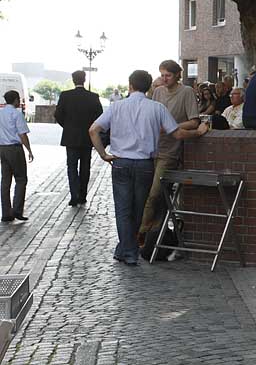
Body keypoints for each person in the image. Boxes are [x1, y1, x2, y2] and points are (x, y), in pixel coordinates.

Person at [89, 69, 209, 265]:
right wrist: (198, 132)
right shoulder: (157, 108)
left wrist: (103, 154)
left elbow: (93, 130)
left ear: (130, 85)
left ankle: (127, 250)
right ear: (148, 88)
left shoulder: (116, 107)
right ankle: (127, 249)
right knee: (138, 208)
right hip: (145, 164)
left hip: (120, 162)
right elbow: (177, 134)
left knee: (122, 209)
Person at [139, 59, 201, 242]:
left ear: (177, 75)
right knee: (152, 194)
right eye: (162, 75)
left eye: (168, 75)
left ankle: (141, 233)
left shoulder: (186, 92)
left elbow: (194, 121)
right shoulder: (157, 92)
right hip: (152, 148)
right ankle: (155, 231)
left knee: (155, 193)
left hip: (170, 150)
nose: (164, 79)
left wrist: (170, 126)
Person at [54, 70, 103, 207]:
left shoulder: (65, 95)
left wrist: (67, 126)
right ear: (84, 80)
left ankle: (74, 195)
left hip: (70, 137)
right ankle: (83, 195)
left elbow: (58, 114)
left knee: (71, 166)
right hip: (87, 137)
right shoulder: (93, 96)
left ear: (73, 80)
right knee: (85, 167)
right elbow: (99, 116)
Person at [0, 90, 33, 222]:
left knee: (5, 180)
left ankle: (6, 212)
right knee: (21, 178)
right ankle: (17, 210)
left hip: (2, 148)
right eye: (18, 99)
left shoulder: (0, 113)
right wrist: (29, 150)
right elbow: (22, 134)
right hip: (14, 149)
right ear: (15, 100)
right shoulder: (16, 114)